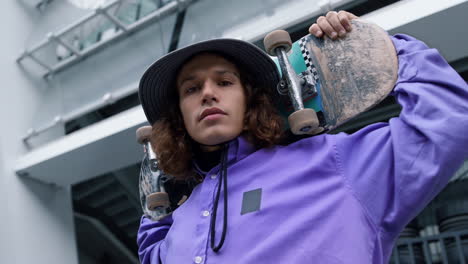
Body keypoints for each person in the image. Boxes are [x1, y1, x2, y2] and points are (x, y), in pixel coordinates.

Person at [136, 10, 468, 264]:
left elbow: (449, 122)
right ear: (178, 116)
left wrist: (380, 47)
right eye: (191, 89)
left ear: (251, 100)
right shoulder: (179, 220)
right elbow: (151, 249)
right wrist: (164, 181)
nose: (207, 94)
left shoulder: (336, 162)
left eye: (224, 82)